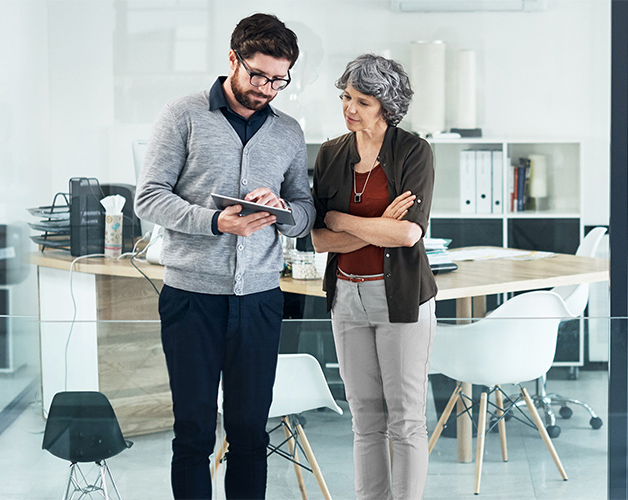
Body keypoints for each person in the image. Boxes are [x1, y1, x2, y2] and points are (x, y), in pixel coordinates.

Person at [134, 13, 314, 500]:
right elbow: (148, 197)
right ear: (233, 59)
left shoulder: (289, 132)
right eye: (259, 75)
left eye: (280, 80)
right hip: (191, 297)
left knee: (251, 433)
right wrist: (216, 221)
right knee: (193, 432)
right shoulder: (183, 114)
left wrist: (279, 211)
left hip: (259, 300)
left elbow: (304, 212)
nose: (268, 88)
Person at [310, 53, 437, 500]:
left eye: (362, 101)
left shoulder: (413, 151)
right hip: (346, 296)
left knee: (404, 418)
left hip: (399, 297)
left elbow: (406, 233)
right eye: (346, 97)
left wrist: (343, 220)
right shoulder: (330, 153)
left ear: (386, 104)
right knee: (364, 417)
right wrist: (370, 224)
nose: (349, 108)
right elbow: (320, 240)